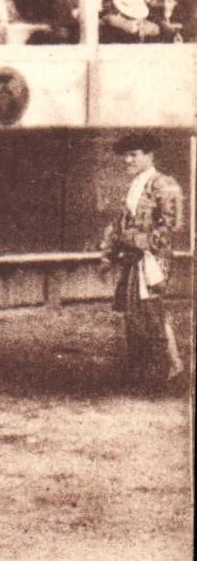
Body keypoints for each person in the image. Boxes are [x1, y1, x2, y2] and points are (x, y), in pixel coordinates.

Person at [99, 133, 185, 389]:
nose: (127, 160)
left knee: (150, 313)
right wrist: (109, 255)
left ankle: (165, 369)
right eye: (125, 155)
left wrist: (141, 242)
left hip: (152, 262)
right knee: (134, 314)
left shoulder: (164, 184)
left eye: (133, 155)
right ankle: (147, 369)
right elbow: (119, 225)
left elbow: (172, 226)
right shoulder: (134, 185)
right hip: (132, 259)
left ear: (149, 155)